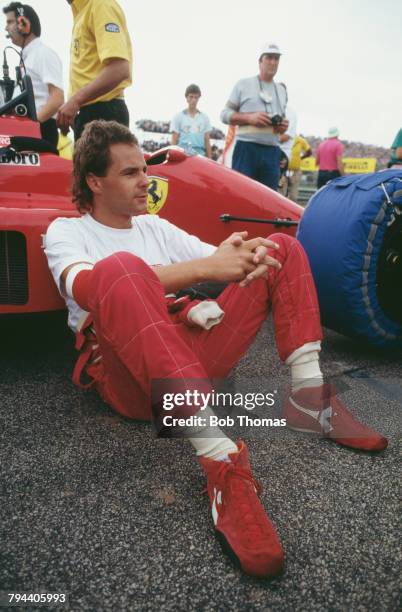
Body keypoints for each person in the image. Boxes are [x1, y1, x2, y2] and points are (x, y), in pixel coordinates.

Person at [44, 120, 388, 579]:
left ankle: (310, 399)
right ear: (93, 180)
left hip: (187, 352)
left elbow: (222, 260)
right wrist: (206, 265)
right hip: (129, 378)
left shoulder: (153, 226)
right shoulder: (65, 232)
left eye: (144, 169)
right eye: (130, 173)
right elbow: (89, 289)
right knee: (119, 271)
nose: (146, 180)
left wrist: (240, 253)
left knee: (280, 247)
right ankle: (221, 461)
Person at [57, 0, 132, 140]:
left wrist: (75, 102)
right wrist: (77, 111)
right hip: (92, 114)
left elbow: (120, 68)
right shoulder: (83, 12)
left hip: (104, 114)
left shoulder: (101, 5)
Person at [220, 42, 289, 191]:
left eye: (276, 58)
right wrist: (249, 118)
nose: (273, 62)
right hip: (246, 148)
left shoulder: (281, 90)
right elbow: (224, 115)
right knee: (242, 195)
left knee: (269, 199)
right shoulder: (243, 85)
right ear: (260, 61)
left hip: (272, 150)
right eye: (269, 58)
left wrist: (282, 127)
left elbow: (281, 128)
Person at [3, 2, 64, 147]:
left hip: (40, 130)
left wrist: (32, 126)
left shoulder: (43, 54)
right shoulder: (28, 57)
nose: (6, 28)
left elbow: (57, 98)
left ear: (24, 24)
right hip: (29, 130)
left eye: (10, 22)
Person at [170, 84, 212, 158]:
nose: (193, 100)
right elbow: (174, 139)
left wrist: (210, 159)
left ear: (199, 98)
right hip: (182, 154)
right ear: (186, 98)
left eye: (196, 97)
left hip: (200, 155)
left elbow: (207, 140)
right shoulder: (178, 117)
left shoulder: (205, 118)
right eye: (191, 97)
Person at [286, 134, 312, 202]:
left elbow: (309, 152)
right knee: (291, 195)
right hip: (286, 170)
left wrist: (300, 158)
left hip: (293, 170)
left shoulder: (300, 140)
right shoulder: (300, 140)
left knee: (291, 195)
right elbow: (309, 152)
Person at [278, 106, 297, 195]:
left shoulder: (289, 113)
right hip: (274, 152)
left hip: (281, 154)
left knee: (278, 187)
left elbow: (286, 137)